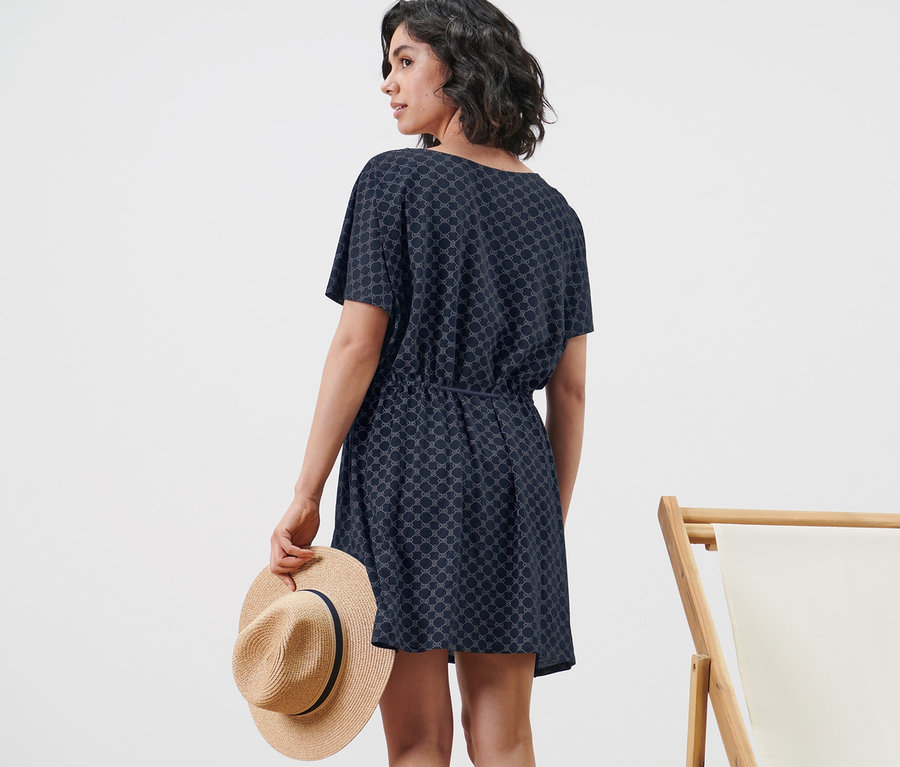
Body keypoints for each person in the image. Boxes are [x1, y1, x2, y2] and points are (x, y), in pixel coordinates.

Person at [269, 1, 592, 764]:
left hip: (408, 460)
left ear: (463, 66)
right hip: (516, 468)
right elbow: (570, 391)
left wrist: (307, 492)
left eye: (406, 60)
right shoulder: (558, 215)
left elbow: (357, 344)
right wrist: (547, 515)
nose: (388, 82)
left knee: (417, 740)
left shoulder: (395, 182)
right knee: (506, 734)